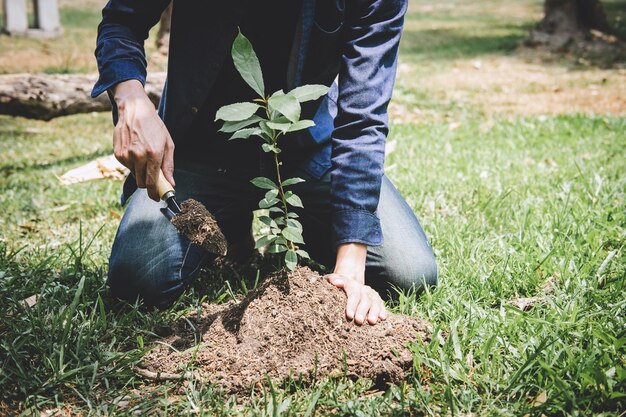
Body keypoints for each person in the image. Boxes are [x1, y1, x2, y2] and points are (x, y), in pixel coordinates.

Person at [92, 0, 438, 325]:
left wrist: (350, 265)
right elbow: (123, 20)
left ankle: (279, 219)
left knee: (408, 272)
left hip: (308, 150)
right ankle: (232, 224)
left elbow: (362, 116)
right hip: (199, 151)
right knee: (136, 279)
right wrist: (131, 99)